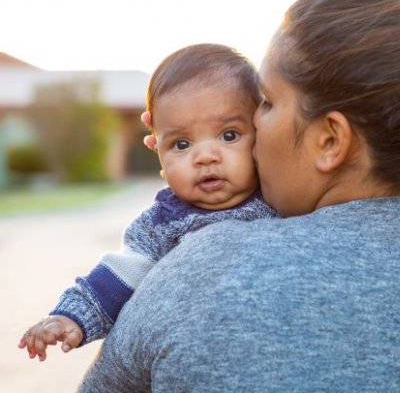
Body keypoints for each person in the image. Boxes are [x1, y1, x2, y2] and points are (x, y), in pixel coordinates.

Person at [76, 0, 400, 391]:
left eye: (265, 102)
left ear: (330, 141)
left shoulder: (206, 268)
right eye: (179, 143)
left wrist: (185, 145)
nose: (252, 128)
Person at [18, 44, 277, 361]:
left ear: (262, 132)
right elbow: (119, 275)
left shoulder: (281, 196)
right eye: (181, 144)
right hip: (201, 354)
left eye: (229, 135)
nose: (206, 156)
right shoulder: (163, 223)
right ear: (158, 151)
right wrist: (70, 317)